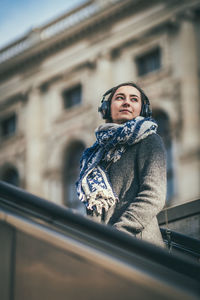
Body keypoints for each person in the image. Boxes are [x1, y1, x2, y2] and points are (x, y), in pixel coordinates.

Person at [76, 82, 167, 247]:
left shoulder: (150, 140)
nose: (126, 102)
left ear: (142, 110)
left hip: (138, 246)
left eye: (134, 99)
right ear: (107, 108)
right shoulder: (94, 155)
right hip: (104, 246)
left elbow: (153, 195)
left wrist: (120, 232)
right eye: (120, 98)